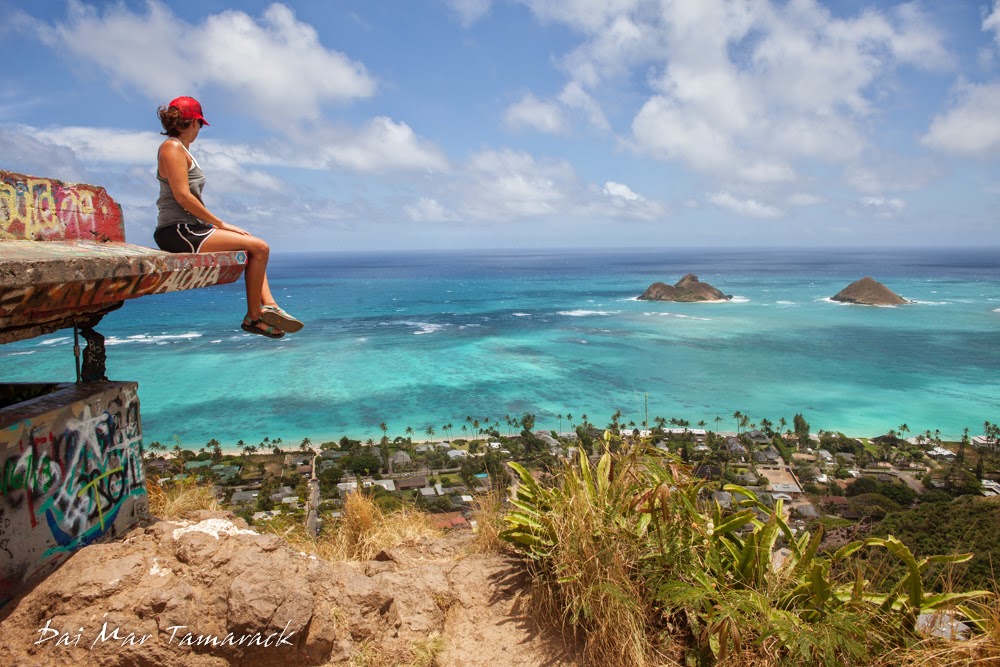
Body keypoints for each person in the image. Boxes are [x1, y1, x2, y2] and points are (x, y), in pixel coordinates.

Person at [154, 96, 302, 339]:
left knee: (254, 247)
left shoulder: (182, 150)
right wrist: (220, 223)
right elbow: (183, 197)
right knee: (260, 246)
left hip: (191, 228)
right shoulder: (171, 148)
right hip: (178, 230)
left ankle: (269, 307)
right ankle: (254, 317)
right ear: (194, 123)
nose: (199, 130)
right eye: (200, 125)